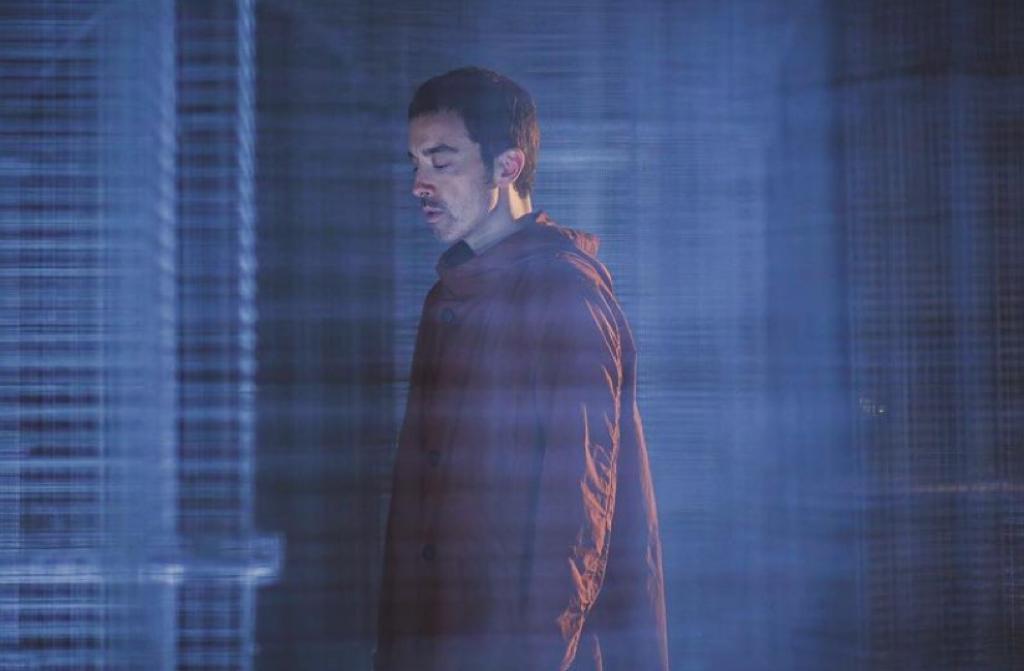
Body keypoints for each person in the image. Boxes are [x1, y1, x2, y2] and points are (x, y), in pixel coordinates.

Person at [374, 66, 669, 671]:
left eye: (441, 162)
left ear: (507, 166)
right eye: (415, 164)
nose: (418, 186)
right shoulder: (451, 296)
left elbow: (577, 518)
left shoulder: (561, 291)